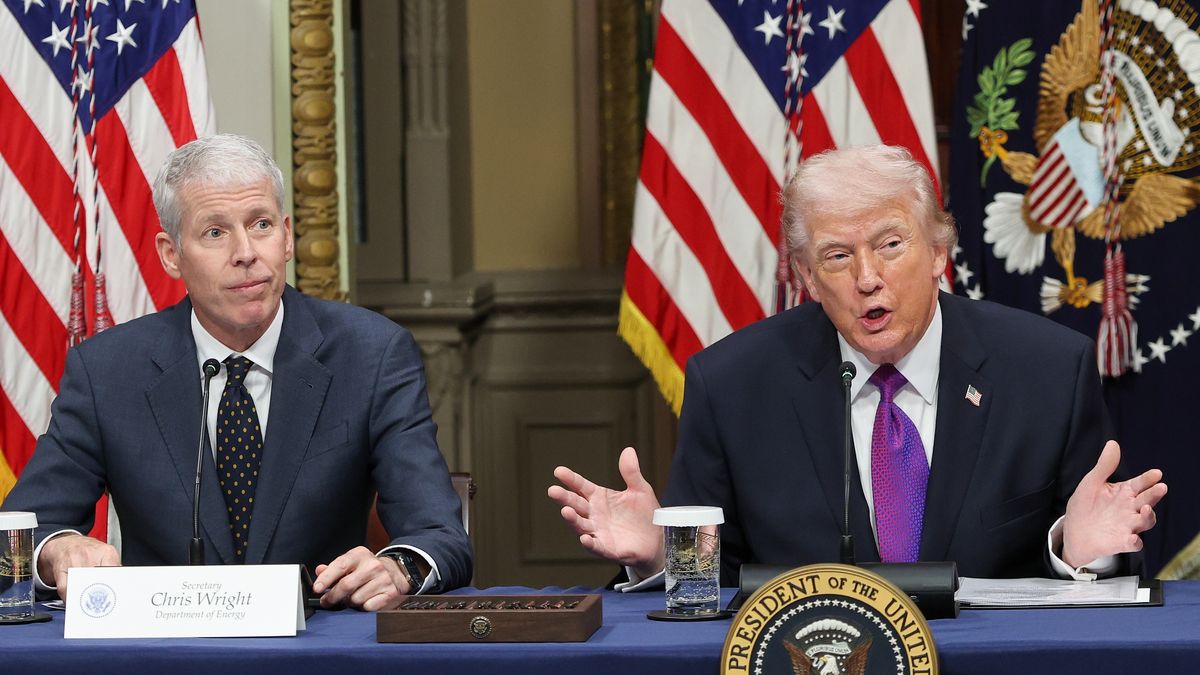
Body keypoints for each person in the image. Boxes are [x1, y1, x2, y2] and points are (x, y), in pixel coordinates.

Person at [549, 144, 1166, 587]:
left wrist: (1078, 556)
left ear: (937, 253)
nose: (868, 278)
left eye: (891, 245)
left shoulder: (1048, 371)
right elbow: (716, 580)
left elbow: (1109, 571)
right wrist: (661, 556)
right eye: (837, 256)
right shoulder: (734, 385)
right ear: (810, 280)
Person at [1, 134, 471, 610]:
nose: (246, 252)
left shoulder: (371, 355)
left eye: (261, 224)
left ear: (286, 237)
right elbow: (22, 531)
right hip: (166, 652)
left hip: (319, 644)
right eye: (215, 232)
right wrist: (57, 550)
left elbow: (439, 534)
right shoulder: (109, 370)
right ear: (170, 253)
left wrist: (397, 568)